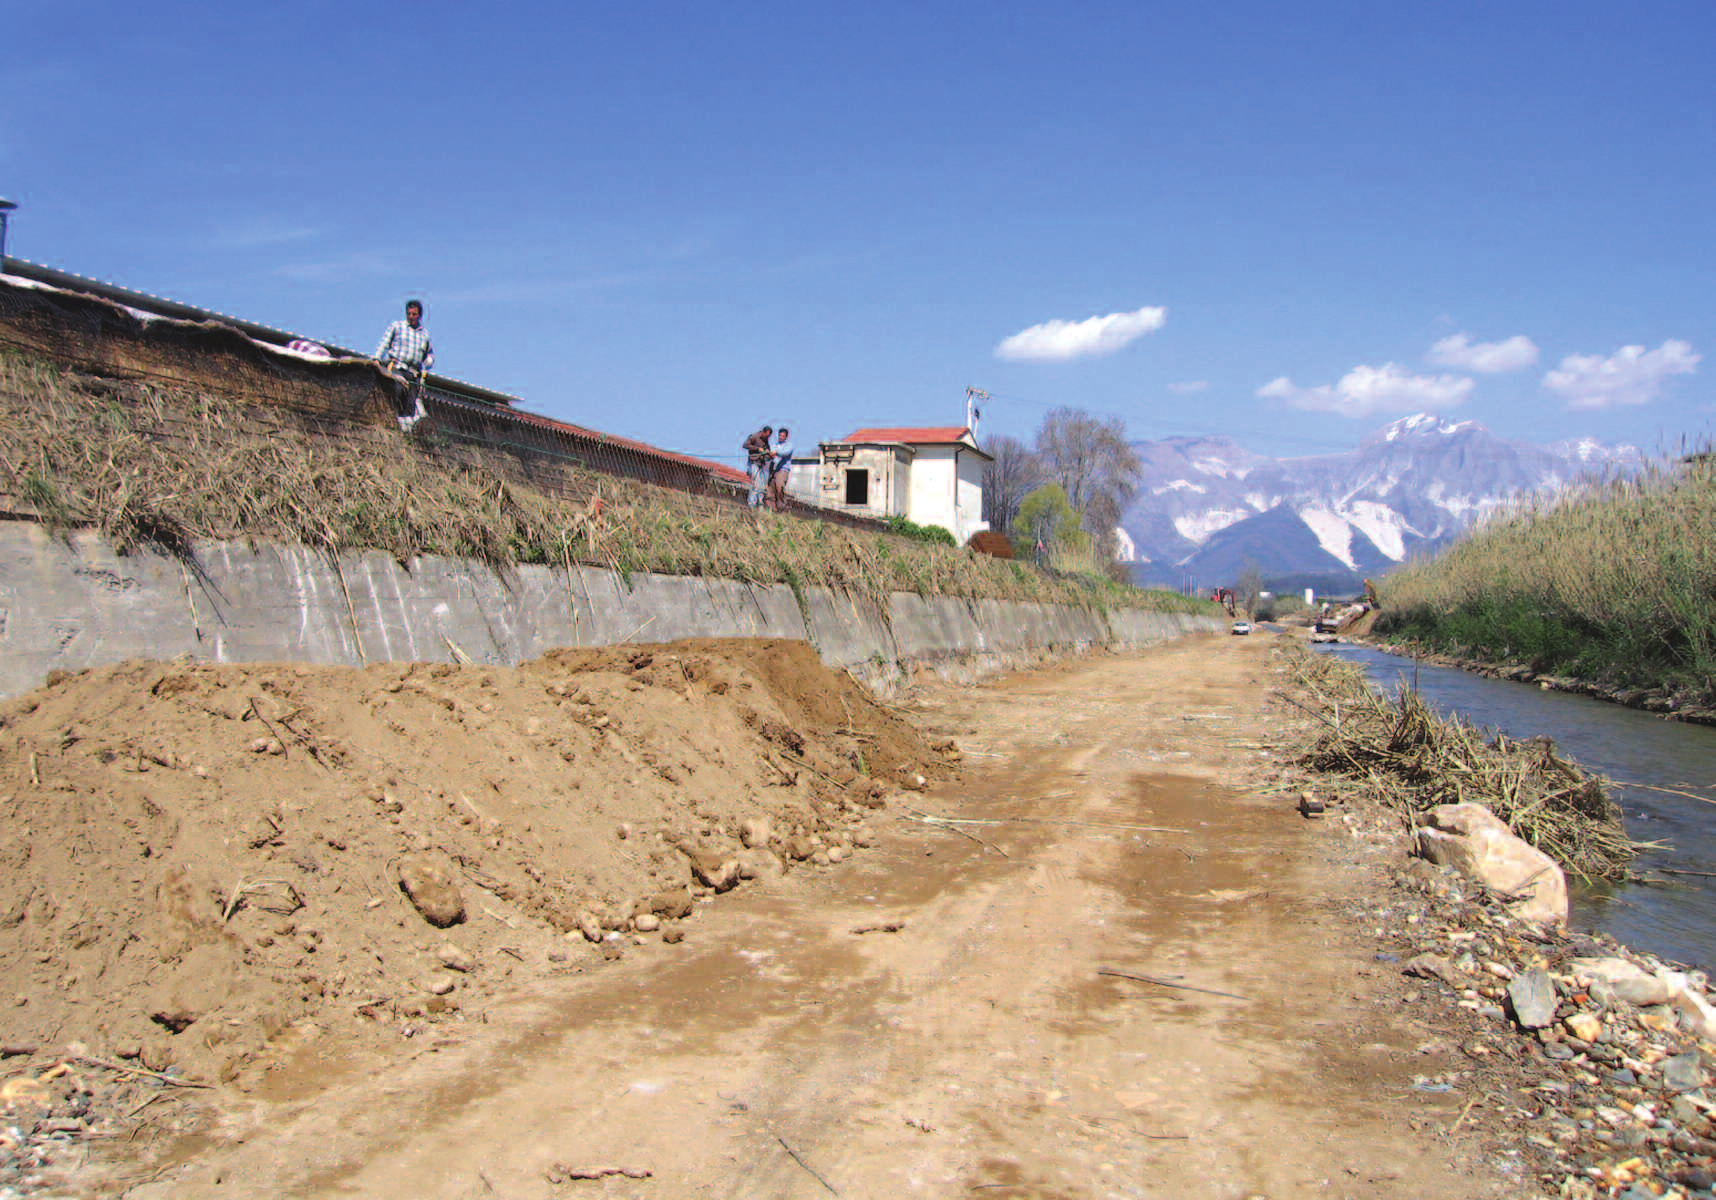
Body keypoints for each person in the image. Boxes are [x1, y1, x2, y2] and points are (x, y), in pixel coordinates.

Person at [376, 300, 434, 426]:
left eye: (414, 314)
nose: (411, 317)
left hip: (413, 373)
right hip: (397, 368)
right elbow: (384, 344)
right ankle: (389, 422)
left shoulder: (424, 335)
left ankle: (405, 430)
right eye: (409, 314)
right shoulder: (397, 327)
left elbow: (429, 354)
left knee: (410, 403)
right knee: (396, 391)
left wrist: (429, 362)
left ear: (420, 315)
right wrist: (377, 359)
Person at [741, 423, 774, 507]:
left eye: (769, 436)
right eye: (766, 435)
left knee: (761, 485)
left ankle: (758, 503)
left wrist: (768, 454)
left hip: (762, 464)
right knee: (756, 483)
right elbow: (745, 445)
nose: (767, 437)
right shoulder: (754, 436)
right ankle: (751, 504)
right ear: (763, 432)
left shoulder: (766, 441)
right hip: (753, 462)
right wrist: (757, 449)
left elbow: (767, 450)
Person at [766, 426, 794, 511]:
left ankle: (781, 505)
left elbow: (784, 453)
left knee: (779, 486)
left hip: (782, 470)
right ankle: (771, 507)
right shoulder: (774, 445)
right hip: (773, 469)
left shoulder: (789, 446)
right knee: (771, 488)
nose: (781, 437)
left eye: (783, 436)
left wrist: (776, 453)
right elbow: (770, 454)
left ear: (786, 437)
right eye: (780, 435)